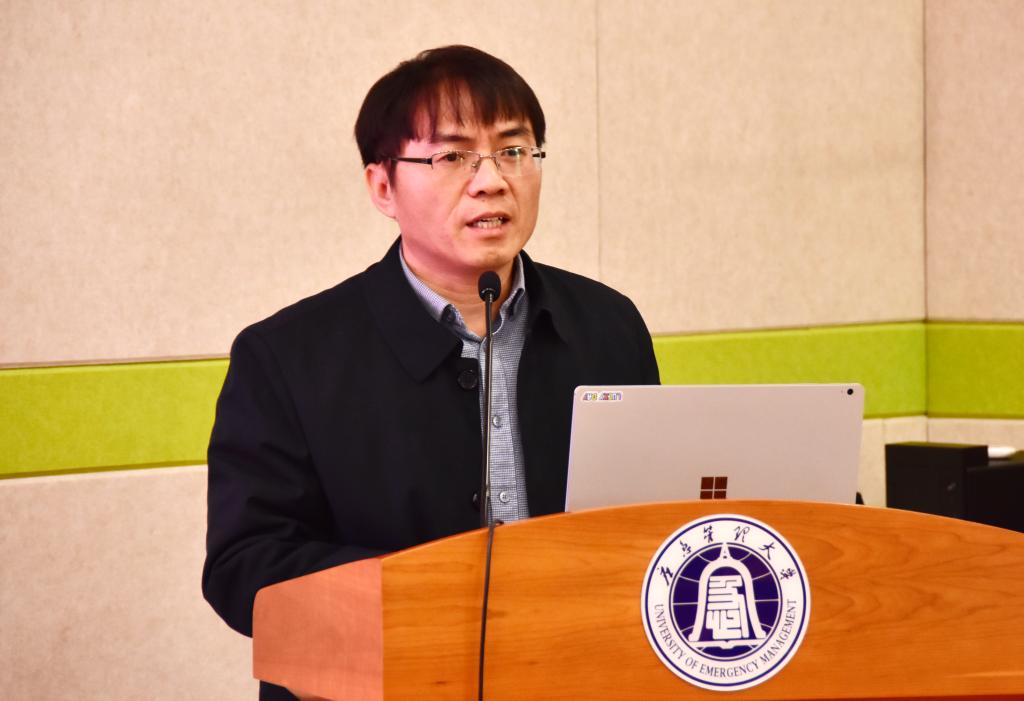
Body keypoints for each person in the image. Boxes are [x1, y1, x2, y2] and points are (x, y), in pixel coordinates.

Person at [202, 45, 659, 700]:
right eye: (452, 156)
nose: (491, 180)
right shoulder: (286, 356)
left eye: (513, 150)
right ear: (382, 187)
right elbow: (246, 566)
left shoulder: (609, 324)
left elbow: (647, 522)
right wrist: (434, 594)